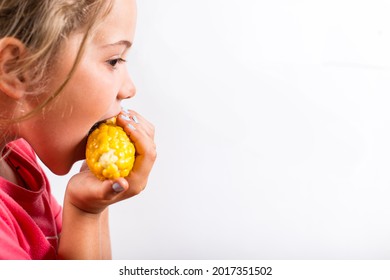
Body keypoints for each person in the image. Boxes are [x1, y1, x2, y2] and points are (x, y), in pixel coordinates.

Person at [0, 0, 156, 259]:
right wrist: (84, 215)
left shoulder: (18, 162)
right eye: (114, 60)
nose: (129, 89)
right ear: (17, 70)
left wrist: (91, 208)